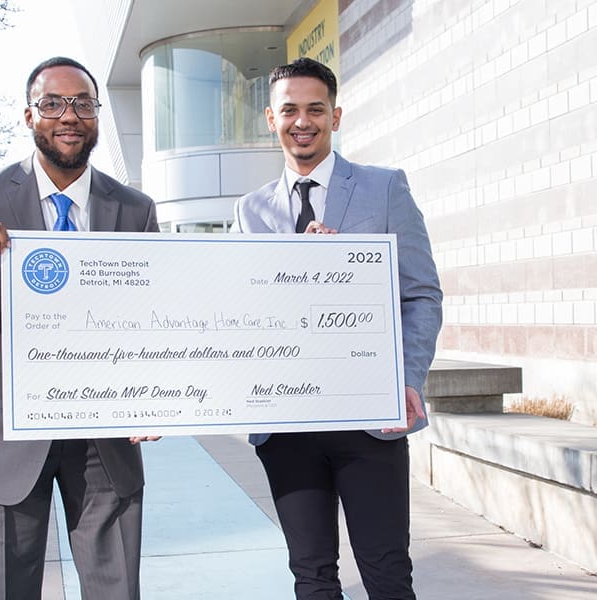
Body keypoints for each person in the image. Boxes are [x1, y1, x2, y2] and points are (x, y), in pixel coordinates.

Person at [0, 57, 160, 600]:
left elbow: (156, 317)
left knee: (117, 592)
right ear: (28, 115)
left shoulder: (133, 208)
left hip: (102, 435)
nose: (69, 115)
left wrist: (159, 395)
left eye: (83, 103)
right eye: (53, 104)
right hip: (4, 433)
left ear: (97, 116)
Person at [231, 57, 443, 599]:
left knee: (387, 572)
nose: (303, 121)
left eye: (315, 110)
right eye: (290, 110)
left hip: (370, 418)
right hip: (287, 424)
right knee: (312, 575)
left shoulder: (385, 188)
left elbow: (420, 293)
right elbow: (239, 314)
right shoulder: (249, 212)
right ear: (271, 119)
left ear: (336, 115)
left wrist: (408, 377)